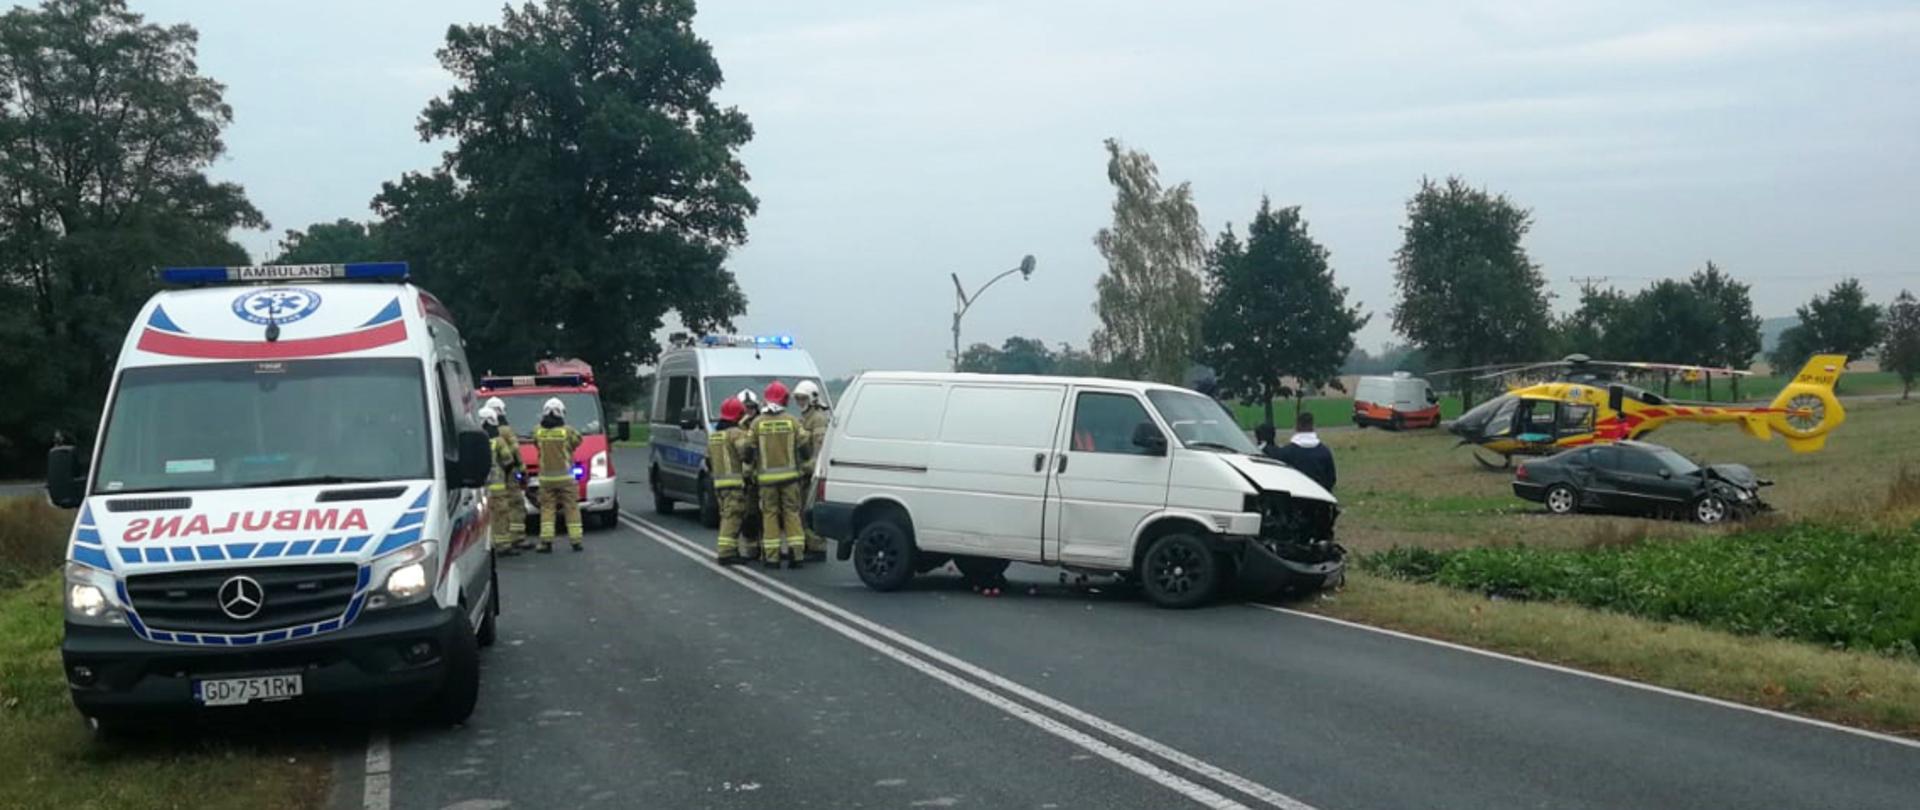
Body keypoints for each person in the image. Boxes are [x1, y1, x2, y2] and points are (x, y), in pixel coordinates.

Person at [752, 381, 809, 568]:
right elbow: (804, 445)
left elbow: (747, 450)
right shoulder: (792, 421)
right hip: (791, 479)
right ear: (784, 399)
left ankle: (772, 558)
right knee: (792, 514)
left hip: (766, 481)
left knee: (769, 515)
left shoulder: (757, 423)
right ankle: (797, 555)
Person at [533, 397, 585, 553]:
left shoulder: (538, 431)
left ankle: (546, 542)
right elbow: (578, 441)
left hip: (546, 479)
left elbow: (536, 444)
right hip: (566, 479)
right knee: (571, 508)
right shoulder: (567, 431)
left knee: (547, 509)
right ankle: (576, 541)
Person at [707, 397, 754, 565]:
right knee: (732, 517)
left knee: (726, 515)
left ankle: (732, 550)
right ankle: (726, 553)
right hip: (734, 484)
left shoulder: (714, 435)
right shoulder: (735, 433)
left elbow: (708, 459)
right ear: (738, 415)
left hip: (719, 483)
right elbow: (745, 453)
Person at [484, 395, 530, 550]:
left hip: (490, 479)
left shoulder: (484, 433)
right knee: (515, 504)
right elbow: (515, 452)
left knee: (496, 510)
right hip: (507, 474)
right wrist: (522, 470)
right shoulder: (505, 431)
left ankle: (499, 539)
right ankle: (516, 537)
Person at [792, 380, 830, 562]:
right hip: (805, 473)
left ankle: (817, 548)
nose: (800, 402)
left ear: (812, 398)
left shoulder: (818, 418)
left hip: (814, 473)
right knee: (802, 510)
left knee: (810, 510)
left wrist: (808, 468)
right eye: (798, 398)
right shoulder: (804, 418)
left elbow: (819, 449)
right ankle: (808, 544)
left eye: (803, 398)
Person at [1271, 411, 1336, 492]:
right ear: (1313, 426)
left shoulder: (1285, 452)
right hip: (1319, 496)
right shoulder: (1324, 451)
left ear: (1296, 427)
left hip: (1295, 496)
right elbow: (1331, 479)